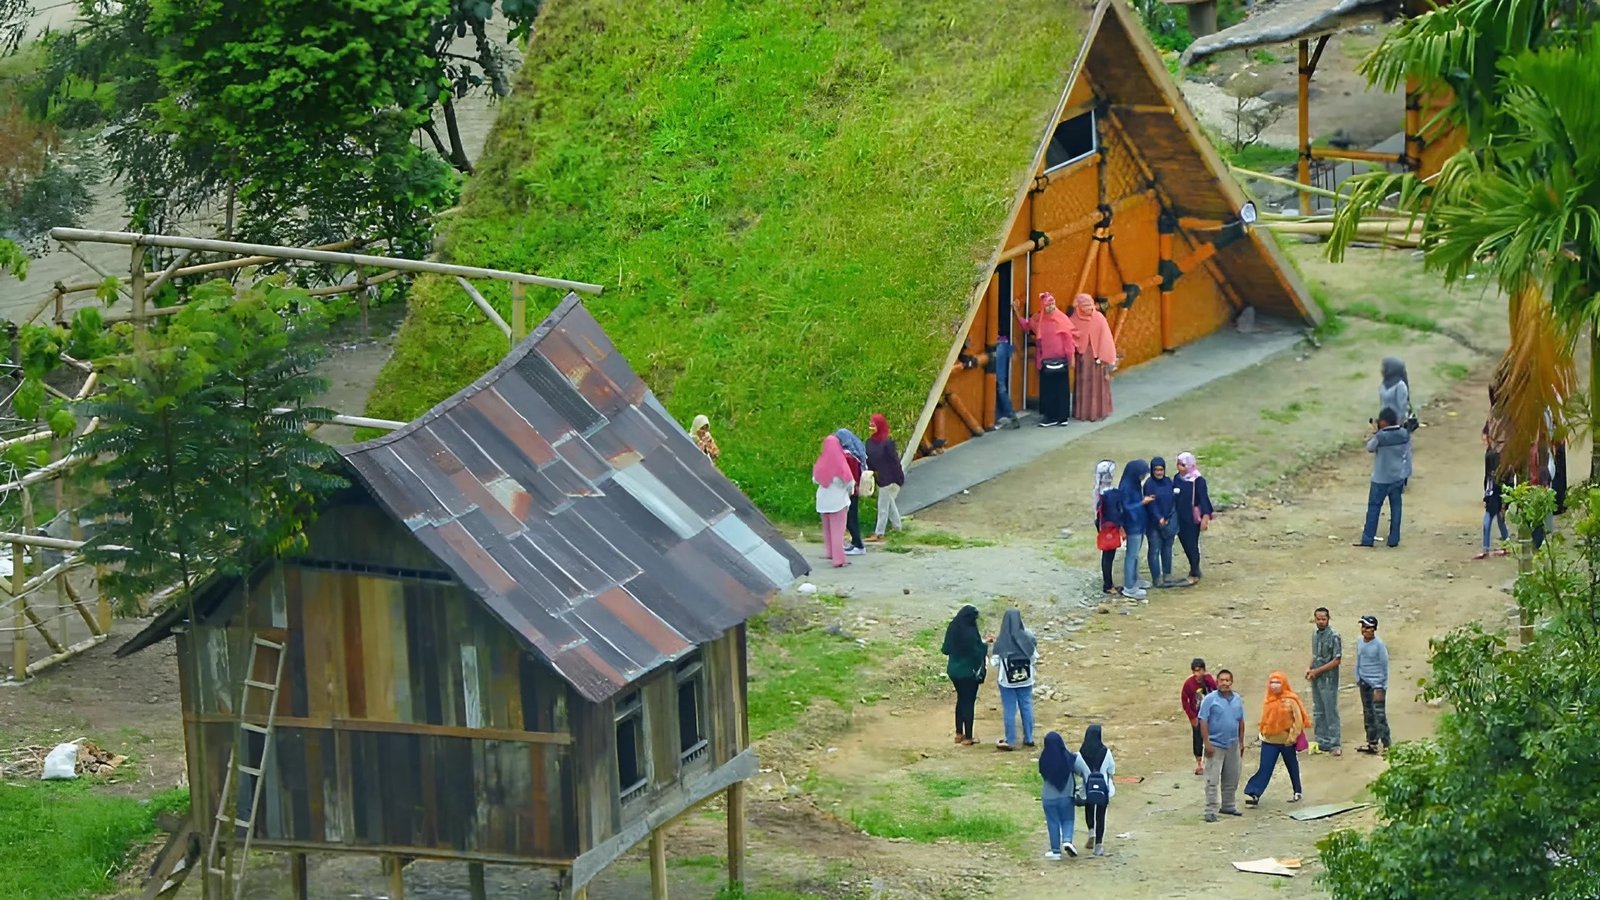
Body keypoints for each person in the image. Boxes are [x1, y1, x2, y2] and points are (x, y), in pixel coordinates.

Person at [1243, 672, 1310, 806]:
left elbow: (1298, 721)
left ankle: (1297, 791)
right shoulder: (1268, 700)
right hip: (1269, 742)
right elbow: (1265, 719)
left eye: (1278, 682)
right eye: (1272, 682)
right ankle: (1254, 792)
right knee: (1265, 768)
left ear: (1284, 684)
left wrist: (1292, 737)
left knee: (1292, 766)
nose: (1274, 686)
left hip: (1286, 742)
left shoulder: (1291, 700)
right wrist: (1262, 733)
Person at [1015, 291, 1077, 426]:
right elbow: (1027, 326)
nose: (1051, 307)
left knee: (1061, 389)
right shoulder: (1039, 319)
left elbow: (1068, 341)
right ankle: (1050, 417)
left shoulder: (1061, 319)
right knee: (1048, 390)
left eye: (1052, 304)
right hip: (1045, 361)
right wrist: (1017, 313)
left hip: (1061, 360)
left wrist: (1070, 358)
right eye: (1048, 304)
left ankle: (1062, 417)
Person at [1357, 408, 1411, 548]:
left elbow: (1370, 447)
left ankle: (1368, 539)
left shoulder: (1381, 437)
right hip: (1398, 476)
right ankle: (1394, 539)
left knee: (1374, 508)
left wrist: (1376, 432)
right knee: (1396, 507)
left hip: (1381, 478)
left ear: (1384, 422)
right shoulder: (1404, 434)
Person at [1198, 668, 1246, 822]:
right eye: (1222, 680)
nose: (1225, 683)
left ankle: (1228, 805)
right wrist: (1207, 743)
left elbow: (1240, 721)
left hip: (1232, 744)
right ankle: (1210, 810)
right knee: (1212, 779)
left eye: (1227, 680)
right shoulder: (1209, 700)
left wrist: (1241, 741)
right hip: (1215, 744)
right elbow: (1203, 721)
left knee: (1232, 776)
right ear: (1217, 682)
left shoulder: (1237, 699)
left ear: (1231, 682)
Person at [1037, 731, 1090, 859]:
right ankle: (1067, 840)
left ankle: (1055, 851)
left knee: (1052, 822)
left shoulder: (1043, 760)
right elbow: (1086, 773)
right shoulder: (1071, 758)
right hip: (1066, 796)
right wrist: (1083, 792)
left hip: (1048, 797)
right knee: (1068, 820)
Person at [991, 609, 1038, 750]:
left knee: (1010, 709)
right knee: (1027, 706)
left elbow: (994, 662)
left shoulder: (1001, 641)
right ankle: (1029, 737)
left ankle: (1010, 740)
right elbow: (1035, 657)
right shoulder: (1027, 638)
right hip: (1026, 679)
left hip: (1007, 681)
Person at [941, 605, 988, 746]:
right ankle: (968, 737)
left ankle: (958, 733)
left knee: (960, 700)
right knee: (968, 702)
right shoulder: (971, 633)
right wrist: (985, 645)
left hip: (953, 671)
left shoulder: (953, 627)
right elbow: (977, 652)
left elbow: (945, 650)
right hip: (968, 673)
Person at [1070, 293, 1116, 421]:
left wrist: (1105, 356)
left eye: (1090, 305)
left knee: (1098, 385)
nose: (1089, 309)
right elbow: (1070, 337)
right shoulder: (1073, 320)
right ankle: (1083, 413)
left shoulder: (1099, 318)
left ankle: (1099, 412)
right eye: (1085, 306)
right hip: (1082, 358)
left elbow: (1106, 338)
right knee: (1083, 384)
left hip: (1098, 358)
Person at [1306, 608, 1342, 756]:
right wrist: (1309, 668)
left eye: (1323, 619)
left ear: (1328, 619)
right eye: (1318, 619)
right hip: (1316, 677)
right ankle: (1321, 741)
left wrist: (1318, 671)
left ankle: (1335, 743)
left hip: (1329, 678)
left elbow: (1337, 660)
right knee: (1318, 710)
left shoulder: (1334, 636)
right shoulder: (1315, 635)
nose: (1321, 622)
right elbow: (1315, 655)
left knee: (1330, 710)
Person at [813, 436, 854, 568]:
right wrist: (850, 491)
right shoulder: (840, 462)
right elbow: (849, 482)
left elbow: (815, 479)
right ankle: (839, 559)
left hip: (822, 500)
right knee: (838, 531)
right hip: (838, 501)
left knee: (827, 529)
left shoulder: (821, 461)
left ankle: (830, 552)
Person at [1173, 452, 1213, 586]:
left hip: (1192, 518)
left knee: (1192, 545)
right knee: (1185, 544)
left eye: (1183, 465)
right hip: (1180, 517)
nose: (1180, 468)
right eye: (1178, 464)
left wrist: (1205, 518)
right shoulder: (1177, 479)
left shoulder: (1198, 481)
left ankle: (1195, 572)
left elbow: (1204, 500)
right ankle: (1194, 568)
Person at [864, 414, 905, 542]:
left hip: (888, 477)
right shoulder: (869, 442)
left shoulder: (887, 443)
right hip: (877, 476)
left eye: (874, 424)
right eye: (870, 424)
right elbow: (868, 459)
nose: (871, 427)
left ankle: (879, 532)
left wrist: (899, 477)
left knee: (882, 505)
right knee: (889, 502)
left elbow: (894, 461)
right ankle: (897, 527)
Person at [1354, 615, 1391, 754]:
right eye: (1363, 627)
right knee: (1368, 714)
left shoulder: (1379, 645)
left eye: (1368, 627)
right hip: (1364, 683)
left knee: (1379, 715)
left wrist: (1381, 686)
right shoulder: (1360, 642)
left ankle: (1387, 744)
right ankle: (1372, 743)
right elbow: (1358, 660)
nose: (1365, 630)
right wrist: (1357, 677)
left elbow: (1384, 666)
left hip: (1377, 685)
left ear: (1374, 629)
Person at [1077, 723, 1116, 856]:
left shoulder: (1080, 753)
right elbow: (1112, 770)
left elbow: (1078, 771)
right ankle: (1098, 845)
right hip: (1103, 789)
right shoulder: (1106, 752)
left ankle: (1091, 831)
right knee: (1101, 815)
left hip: (1087, 789)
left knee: (1089, 810)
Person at [1117, 459, 1152, 600]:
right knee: (1131, 556)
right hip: (1132, 526)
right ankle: (1129, 587)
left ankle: (1135, 579)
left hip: (1139, 523)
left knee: (1136, 554)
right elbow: (1126, 508)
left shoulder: (1135, 484)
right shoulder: (1126, 487)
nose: (1143, 477)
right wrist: (1142, 503)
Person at [1144, 456, 1179, 588]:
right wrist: (1158, 518)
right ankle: (1157, 577)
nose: (1159, 472)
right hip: (1153, 523)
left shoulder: (1168, 482)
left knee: (1168, 548)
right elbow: (1150, 503)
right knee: (1154, 549)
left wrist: (1169, 518)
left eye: (1161, 469)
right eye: (1156, 470)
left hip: (1168, 521)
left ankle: (1167, 575)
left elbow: (1172, 501)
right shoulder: (1149, 484)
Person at [1181, 658, 1219, 775]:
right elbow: (1185, 701)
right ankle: (1199, 764)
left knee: (1212, 738)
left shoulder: (1209, 681)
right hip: (1197, 716)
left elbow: (1216, 694)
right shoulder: (1188, 684)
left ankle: (1213, 762)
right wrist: (1192, 717)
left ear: (1204, 670)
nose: (1197, 674)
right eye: (1195, 671)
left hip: (1210, 715)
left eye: (1199, 670)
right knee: (1197, 738)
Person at [835, 428, 868, 556]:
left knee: (850, 518)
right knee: (850, 517)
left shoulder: (849, 456)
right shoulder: (858, 454)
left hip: (850, 491)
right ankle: (855, 542)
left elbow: (850, 475)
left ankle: (858, 544)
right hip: (854, 490)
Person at [1476, 448, 1510, 559]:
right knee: (1498, 523)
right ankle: (1505, 545)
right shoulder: (1491, 477)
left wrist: (1504, 506)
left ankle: (1489, 548)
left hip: (1496, 502)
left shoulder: (1500, 477)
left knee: (1492, 523)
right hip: (1493, 502)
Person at [1094, 460, 1120, 594]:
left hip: (1102, 524)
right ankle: (1108, 585)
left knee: (1107, 555)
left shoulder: (1098, 491)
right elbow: (1113, 513)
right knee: (1108, 555)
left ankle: (1108, 583)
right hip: (1108, 526)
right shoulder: (1108, 494)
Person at [992, 333, 1021, 430]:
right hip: (1000, 374)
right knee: (1001, 391)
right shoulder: (1004, 342)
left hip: (995, 374)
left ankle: (1009, 416)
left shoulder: (998, 345)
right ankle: (1009, 416)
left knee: (999, 391)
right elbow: (1014, 355)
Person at [1378, 357, 1410, 426]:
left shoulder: (1400, 385)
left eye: (1384, 368)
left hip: (1397, 424)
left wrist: (1398, 426)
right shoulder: (1383, 384)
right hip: (1385, 422)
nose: (1382, 370)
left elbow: (1402, 407)